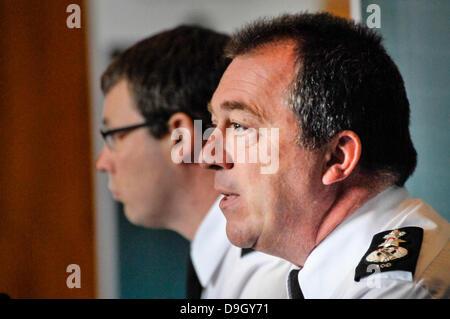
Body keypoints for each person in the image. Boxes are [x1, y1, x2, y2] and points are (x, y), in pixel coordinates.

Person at [200, 13, 449, 298]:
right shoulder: (333, 277)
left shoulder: (396, 290)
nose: (208, 155)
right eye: (213, 124)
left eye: (240, 126)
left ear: (336, 158)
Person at [95, 25, 291, 298]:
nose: (102, 162)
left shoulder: (266, 278)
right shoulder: (232, 267)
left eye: (114, 136)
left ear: (180, 137)